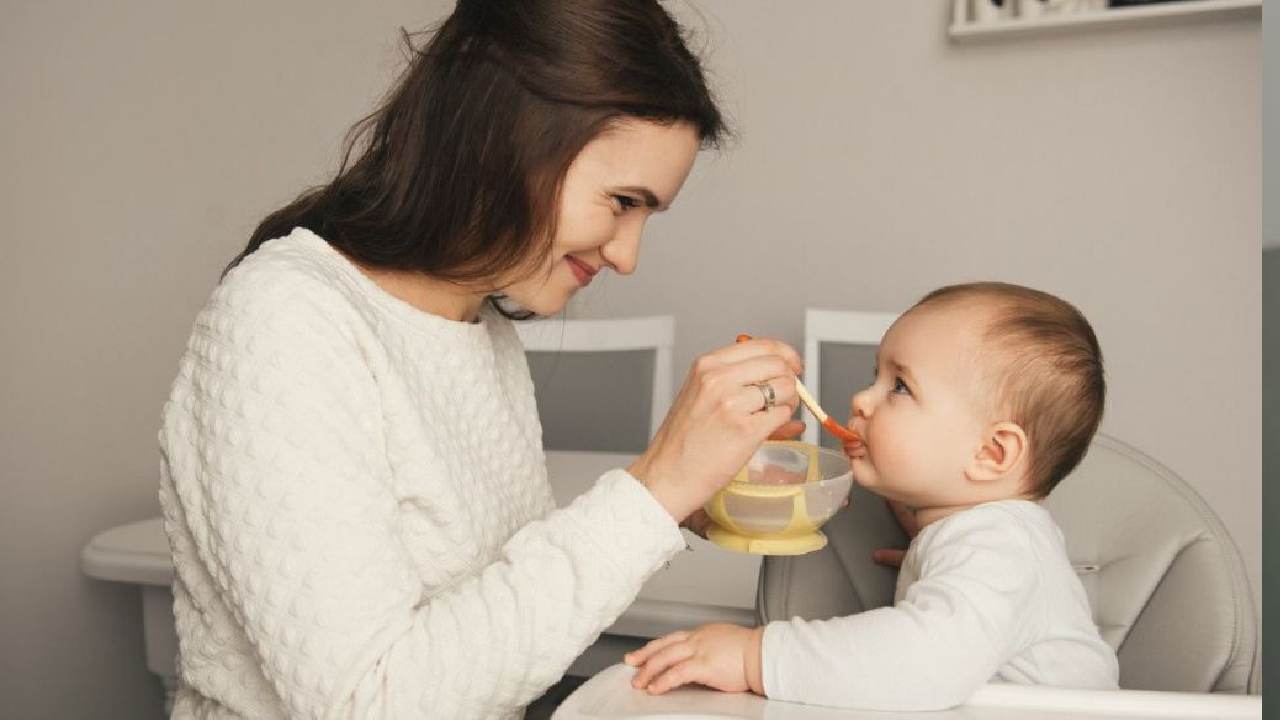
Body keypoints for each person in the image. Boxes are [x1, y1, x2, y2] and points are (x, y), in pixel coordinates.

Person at [157, 2, 806, 717]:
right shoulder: (282, 321)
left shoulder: (477, 325)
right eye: (621, 201)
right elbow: (370, 702)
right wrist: (651, 491)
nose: (627, 254)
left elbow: (483, 604)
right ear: (507, 138)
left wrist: (680, 497)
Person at [625, 282, 1120, 711]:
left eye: (900, 386)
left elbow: (925, 663)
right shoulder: (985, 538)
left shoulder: (998, 545)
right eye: (876, 376)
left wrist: (753, 657)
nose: (862, 399)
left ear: (992, 453)